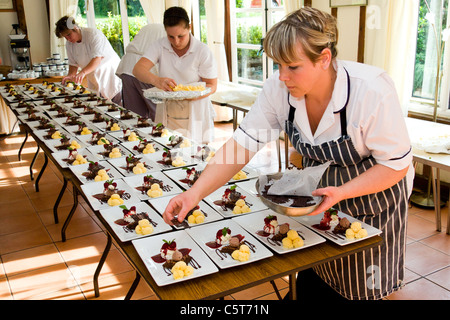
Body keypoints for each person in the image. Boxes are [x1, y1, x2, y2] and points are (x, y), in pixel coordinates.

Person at [162, 7, 414, 301]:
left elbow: (395, 165)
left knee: (359, 290)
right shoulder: (277, 91)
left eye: (292, 66)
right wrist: (194, 194)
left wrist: (342, 192)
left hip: (373, 200)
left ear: (324, 59)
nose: (282, 76)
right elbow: (240, 147)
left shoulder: (370, 90)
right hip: (320, 197)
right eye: (278, 65)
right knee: (316, 274)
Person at [133, 6, 218, 144]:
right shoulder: (159, 45)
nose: (176, 41)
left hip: (196, 111)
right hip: (168, 111)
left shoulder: (202, 51)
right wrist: (156, 80)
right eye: (171, 36)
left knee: (195, 154)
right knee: (167, 149)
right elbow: (138, 69)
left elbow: (212, 86)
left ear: (189, 27)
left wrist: (189, 95)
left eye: (180, 36)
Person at [55, 16, 122, 105]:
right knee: (100, 107)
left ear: (75, 28)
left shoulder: (93, 34)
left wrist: (82, 73)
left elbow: (97, 59)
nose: (68, 39)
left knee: (116, 108)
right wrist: (70, 76)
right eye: (65, 37)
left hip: (109, 75)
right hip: (93, 77)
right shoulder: (69, 44)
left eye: (68, 35)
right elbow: (73, 64)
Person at [116, 23, 166, 120]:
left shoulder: (151, 26)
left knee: (133, 114)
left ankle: (134, 134)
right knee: (157, 113)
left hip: (127, 67)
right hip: (144, 68)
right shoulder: (169, 33)